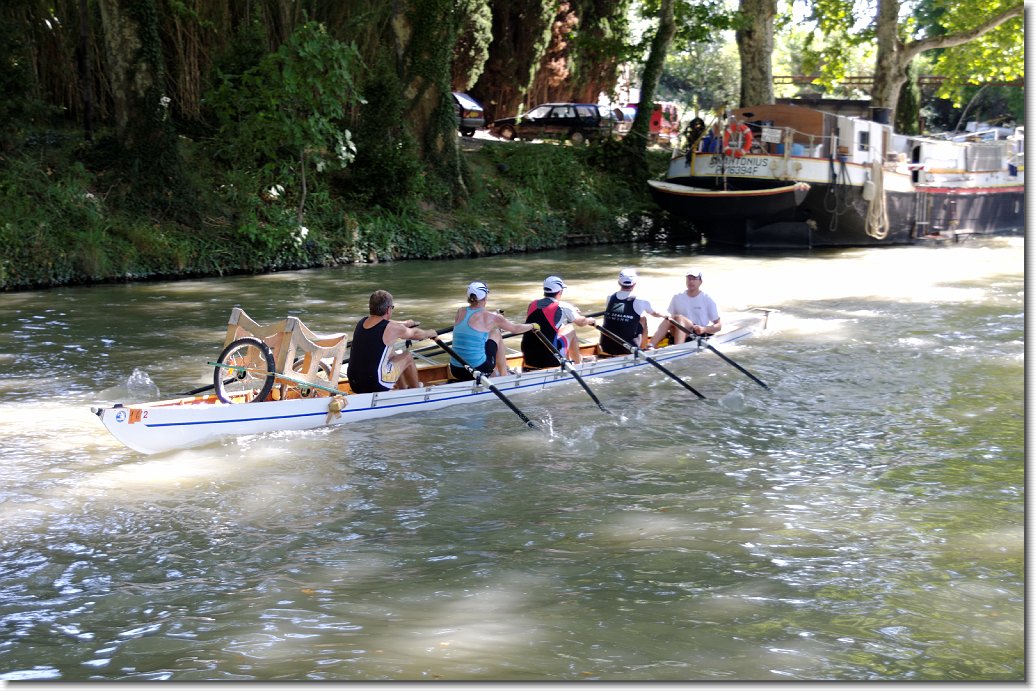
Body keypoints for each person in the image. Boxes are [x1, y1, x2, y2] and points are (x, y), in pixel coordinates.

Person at [346, 289, 439, 393]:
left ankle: (402, 390)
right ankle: (416, 392)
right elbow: (415, 334)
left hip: (354, 383)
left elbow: (385, 322)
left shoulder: (361, 322)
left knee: (392, 354)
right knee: (407, 356)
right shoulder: (391, 328)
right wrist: (430, 333)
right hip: (375, 384)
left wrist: (405, 323)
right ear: (388, 309)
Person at [449, 280, 538, 380]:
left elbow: (473, 330)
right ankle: (504, 375)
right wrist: (532, 325)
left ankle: (495, 372)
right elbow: (515, 329)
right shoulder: (493, 317)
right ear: (485, 297)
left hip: (455, 370)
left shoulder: (460, 311)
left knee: (485, 336)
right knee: (496, 333)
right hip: (478, 371)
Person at [520, 275, 597, 369]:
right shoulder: (563, 306)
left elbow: (544, 323)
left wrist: (571, 312)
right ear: (560, 291)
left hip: (528, 358)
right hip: (550, 360)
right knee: (570, 329)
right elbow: (581, 322)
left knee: (561, 327)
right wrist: (591, 320)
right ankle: (578, 365)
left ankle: (568, 360)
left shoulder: (532, 304)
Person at [599, 268, 667, 356]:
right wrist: (666, 315)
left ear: (619, 282)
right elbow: (655, 313)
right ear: (635, 283)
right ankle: (644, 349)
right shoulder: (640, 299)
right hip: (628, 349)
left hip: (605, 347)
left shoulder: (610, 297)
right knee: (643, 318)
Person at [648, 268, 722, 348]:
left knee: (679, 318)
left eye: (694, 279)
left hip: (696, 332)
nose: (691, 281)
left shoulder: (707, 299)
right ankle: (650, 346)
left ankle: (678, 347)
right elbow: (670, 319)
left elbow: (718, 325)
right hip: (679, 331)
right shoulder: (677, 297)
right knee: (669, 318)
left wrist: (704, 329)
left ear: (700, 282)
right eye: (689, 278)